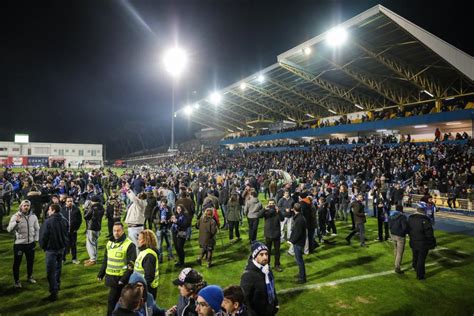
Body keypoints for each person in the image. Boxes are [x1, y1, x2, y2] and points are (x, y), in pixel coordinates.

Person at [98, 222, 137, 316]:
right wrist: (101, 274)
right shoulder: (109, 243)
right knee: (119, 302)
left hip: (121, 279)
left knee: (112, 301)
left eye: (118, 230)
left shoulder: (130, 245)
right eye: (114, 230)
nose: (116, 233)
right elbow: (105, 260)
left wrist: (123, 280)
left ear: (123, 231)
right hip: (111, 277)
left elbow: (131, 265)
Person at [39, 203, 69, 301]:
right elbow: (66, 234)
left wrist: (43, 246)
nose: (48, 211)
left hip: (51, 250)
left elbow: (43, 236)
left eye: (49, 210)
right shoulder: (64, 220)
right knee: (58, 268)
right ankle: (57, 285)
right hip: (61, 248)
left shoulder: (48, 222)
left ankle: (53, 292)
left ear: (53, 210)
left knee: (50, 272)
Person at [7, 200, 40, 288]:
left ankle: (30, 276)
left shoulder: (33, 216)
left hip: (30, 244)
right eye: (24, 205)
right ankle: (17, 281)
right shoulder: (15, 216)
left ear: (30, 206)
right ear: (21, 206)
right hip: (19, 244)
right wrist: (16, 222)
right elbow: (9, 229)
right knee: (17, 263)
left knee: (30, 262)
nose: (26, 207)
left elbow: (37, 229)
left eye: (28, 205)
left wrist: (36, 239)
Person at [240, 242, 279, 316]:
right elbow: (244, 300)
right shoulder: (248, 276)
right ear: (255, 256)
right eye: (261, 254)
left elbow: (272, 288)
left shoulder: (267, 269)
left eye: (266, 254)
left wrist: (275, 304)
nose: (265, 257)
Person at [408, 207, 437, 280]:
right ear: (424, 212)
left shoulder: (410, 218)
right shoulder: (425, 220)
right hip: (423, 243)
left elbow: (408, 229)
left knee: (415, 255)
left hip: (413, 241)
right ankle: (420, 275)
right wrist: (432, 242)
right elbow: (429, 233)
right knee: (421, 259)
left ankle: (414, 267)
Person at [135, 229, 160, 299]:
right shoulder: (144, 251)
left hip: (147, 289)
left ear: (146, 241)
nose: (137, 241)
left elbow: (149, 277)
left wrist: (140, 288)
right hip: (143, 287)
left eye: (139, 239)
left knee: (147, 309)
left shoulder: (149, 255)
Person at [124, 183, 148, 253]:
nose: (137, 196)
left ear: (140, 197)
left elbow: (133, 198)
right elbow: (132, 198)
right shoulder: (139, 203)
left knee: (137, 246)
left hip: (135, 228)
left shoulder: (141, 203)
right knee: (134, 246)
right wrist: (127, 191)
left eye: (138, 195)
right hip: (134, 227)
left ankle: (138, 261)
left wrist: (128, 189)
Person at [262, 199, 284, 272]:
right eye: (270, 203)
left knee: (277, 251)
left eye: (273, 203)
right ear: (268, 204)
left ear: (275, 204)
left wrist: (279, 212)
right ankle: (267, 265)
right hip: (268, 234)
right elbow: (259, 216)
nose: (271, 205)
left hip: (276, 234)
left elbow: (282, 219)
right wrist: (264, 209)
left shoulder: (277, 211)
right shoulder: (266, 211)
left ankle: (277, 265)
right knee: (267, 251)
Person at [84, 195, 105, 266]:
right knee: (95, 243)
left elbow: (86, 217)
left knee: (90, 243)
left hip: (91, 227)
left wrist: (85, 209)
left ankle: (92, 259)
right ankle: (93, 258)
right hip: (98, 227)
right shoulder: (102, 207)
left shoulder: (92, 208)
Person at [288, 203, 307, 284]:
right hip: (299, 242)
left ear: (294, 209)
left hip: (298, 243)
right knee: (299, 260)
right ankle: (301, 274)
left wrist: (291, 241)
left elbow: (298, 233)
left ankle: (302, 278)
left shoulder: (299, 219)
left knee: (299, 260)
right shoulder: (300, 217)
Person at [61, 196, 82, 264]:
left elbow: (80, 220)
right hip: (65, 232)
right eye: (68, 201)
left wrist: (76, 228)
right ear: (65, 202)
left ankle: (74, 258)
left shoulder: (77, 209)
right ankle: (63, 259)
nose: (70, 202)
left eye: (71, 201)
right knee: (64, 245)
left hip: (73, 231)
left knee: (73, 245)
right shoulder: (62, 210)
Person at [389, 205, 408, 274]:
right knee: (400, 252)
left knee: (395, 248)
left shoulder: (391, 215)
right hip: (400, 236)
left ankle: (396, 261)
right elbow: (404, 227)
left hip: (392, 234)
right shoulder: (403, 217)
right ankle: (397, 267)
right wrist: (406, 233)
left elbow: (389, 225)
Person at [154, 198, 174, 263]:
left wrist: (169, 221)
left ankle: (170, 256)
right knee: (159, 245)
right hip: (159, 228)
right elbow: (153, 219)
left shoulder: (169, 209)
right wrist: (160, 221)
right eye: (163, 205)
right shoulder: (156, 209)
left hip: (167, 228)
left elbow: (172, 216)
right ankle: (160, 258)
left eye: (165, 205)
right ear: (160, 203)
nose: (164, 206)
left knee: (169, 243)